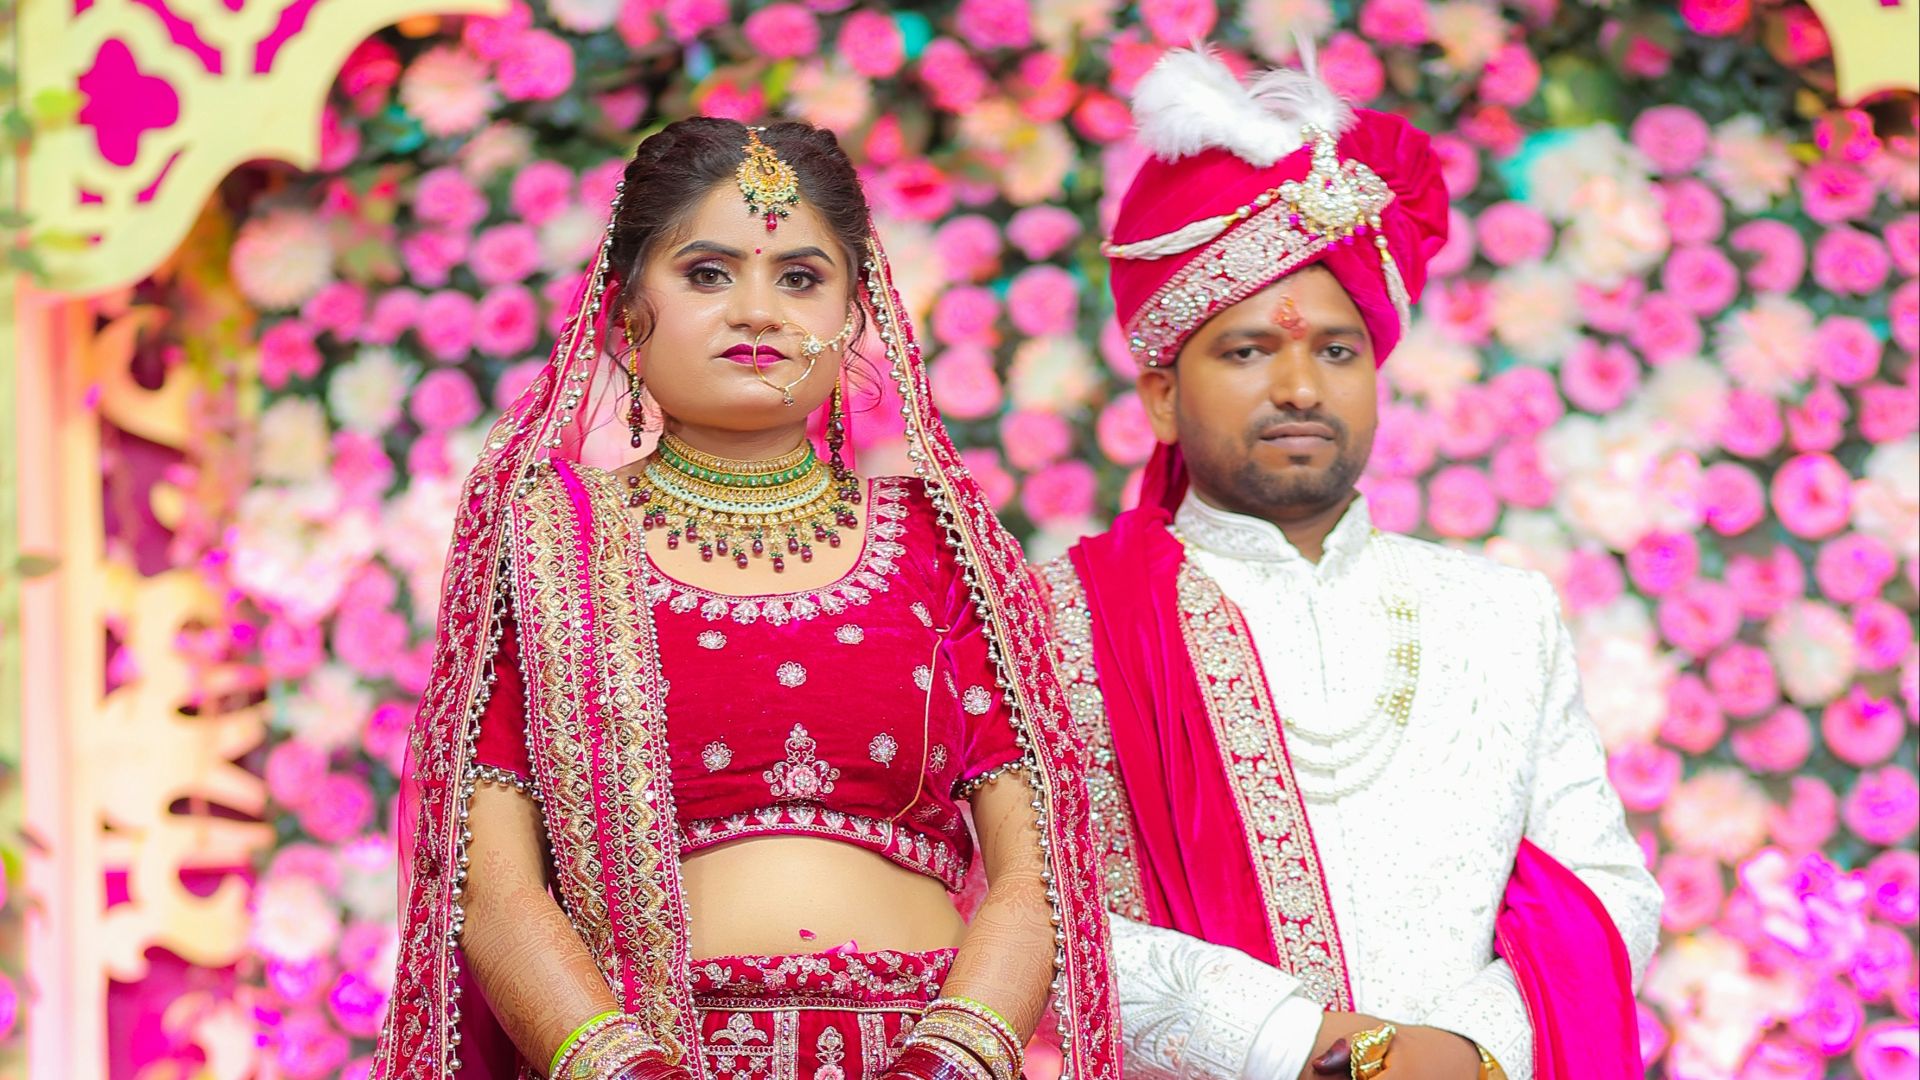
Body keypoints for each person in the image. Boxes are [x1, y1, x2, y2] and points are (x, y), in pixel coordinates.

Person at [373, 119, 1122, 1080]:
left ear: (856, 317)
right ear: (622, 318)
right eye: (709, 273)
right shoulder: (549, 549)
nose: (759, 311)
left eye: (801, 278)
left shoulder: (947, 545)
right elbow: (491, 887)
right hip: (648, 1059)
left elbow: (1042, 869)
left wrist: (948, 1064)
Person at [1033, 48, 1662, 1080]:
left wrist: (1460, 1053)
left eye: (1336, 350)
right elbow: (1044, 914)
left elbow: (1605, 893)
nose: (1299, 387)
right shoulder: (1055, 624)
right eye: (1246, 352)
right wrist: (1323, 1051)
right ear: (1158, 396)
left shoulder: (1501, 615)